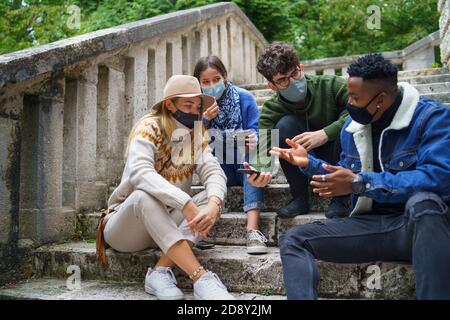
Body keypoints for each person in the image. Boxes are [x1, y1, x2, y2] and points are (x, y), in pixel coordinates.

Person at [246, 53, 450, 299]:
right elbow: (344, 175)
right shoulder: (352, 127)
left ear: (380, 100)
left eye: (354, 97)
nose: (349, 104)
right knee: (293, 239)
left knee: (425, 203)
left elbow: (437, 178)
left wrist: (361, 183)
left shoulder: (431, 118)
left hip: (419, 225)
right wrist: (309, 163)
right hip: (370, 225)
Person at [96, 75, 235, 300]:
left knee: (212, 199)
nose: (194, 111)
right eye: (187, 105)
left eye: (197, 106)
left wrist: (213, 204)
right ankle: (200, 277)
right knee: (143, 196)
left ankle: (159, 272)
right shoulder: (149, 126)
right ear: (170, 104)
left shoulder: (195, 133)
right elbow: (140, 172)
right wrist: (184, 202)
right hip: (128, 228)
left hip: (167, 225)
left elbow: (213, 171)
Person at [256, 43, 350, 218]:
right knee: (284, 125)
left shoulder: (332, 85)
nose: (293, 82)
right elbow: (262, 152)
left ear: (302, 68)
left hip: (338, 152)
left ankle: (340, 197)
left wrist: (325, 133)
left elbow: (360, 111)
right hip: (300, 160)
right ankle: (299, 197)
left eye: (295, 73)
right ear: (272, 86)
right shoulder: (271, 109)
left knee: (347, 117)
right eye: (283, 80)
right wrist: (258, 173)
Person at [193, 56, 268, 254]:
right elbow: (193, 142)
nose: (212, 85)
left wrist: (250, 139)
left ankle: (253, 230)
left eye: (216, 79)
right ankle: (200, 228)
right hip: (220, 168)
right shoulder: (196, 105)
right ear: (199, 83)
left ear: (225, 77)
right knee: (203, 151)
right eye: (206, 82)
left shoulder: (244, 97)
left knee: (253, 154)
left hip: (244, 164)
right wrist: (205, 120)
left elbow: (256, 133)